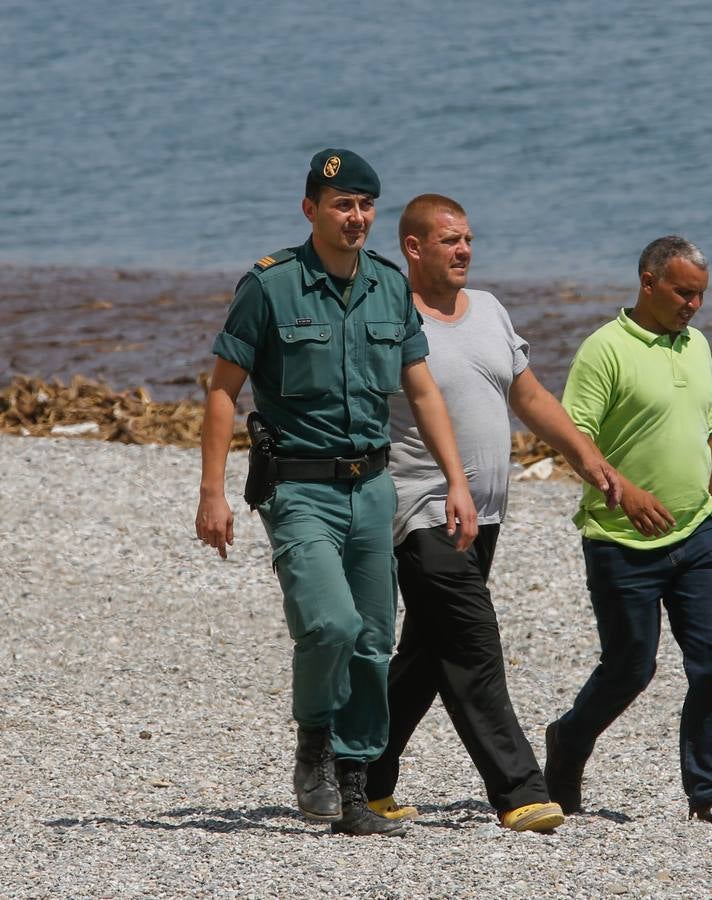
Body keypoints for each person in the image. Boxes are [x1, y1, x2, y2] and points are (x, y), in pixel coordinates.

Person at [195, 150, 478, 838]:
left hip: (372, 488)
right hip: (297, 488)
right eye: (342, 204)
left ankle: (353, 789)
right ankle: (313, 741)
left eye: (365, 205)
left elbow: (421, 389)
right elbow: (223, 390)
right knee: (331, 625)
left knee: (374, 640)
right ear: (310, 210)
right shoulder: (270, 287)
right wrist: (212, 493)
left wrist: (457, 481)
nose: (356, 217)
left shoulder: (388, 287)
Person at [364, 194, 621, 833]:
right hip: (421, 511)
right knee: (472, 643)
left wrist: (587, 459)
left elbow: (528, 396)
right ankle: (519, 789)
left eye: (468, 240)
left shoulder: (489, 310)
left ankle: (360, 778)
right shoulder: (389, 319)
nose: (464, 250)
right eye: (449, 240)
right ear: (413, 248)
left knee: (427, 654)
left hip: (485, 516)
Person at [545, 236, 712, 826]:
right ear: (648, 282)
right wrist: (626, 491)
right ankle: (568, 740)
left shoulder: (698, 346)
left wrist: (711, 505)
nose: (694, 305)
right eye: (683, 292)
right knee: (629, 670)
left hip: (696, 536)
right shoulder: (605, 349)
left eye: (701, 295)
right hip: (620, 540)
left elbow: (706, 433)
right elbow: (574, 439)